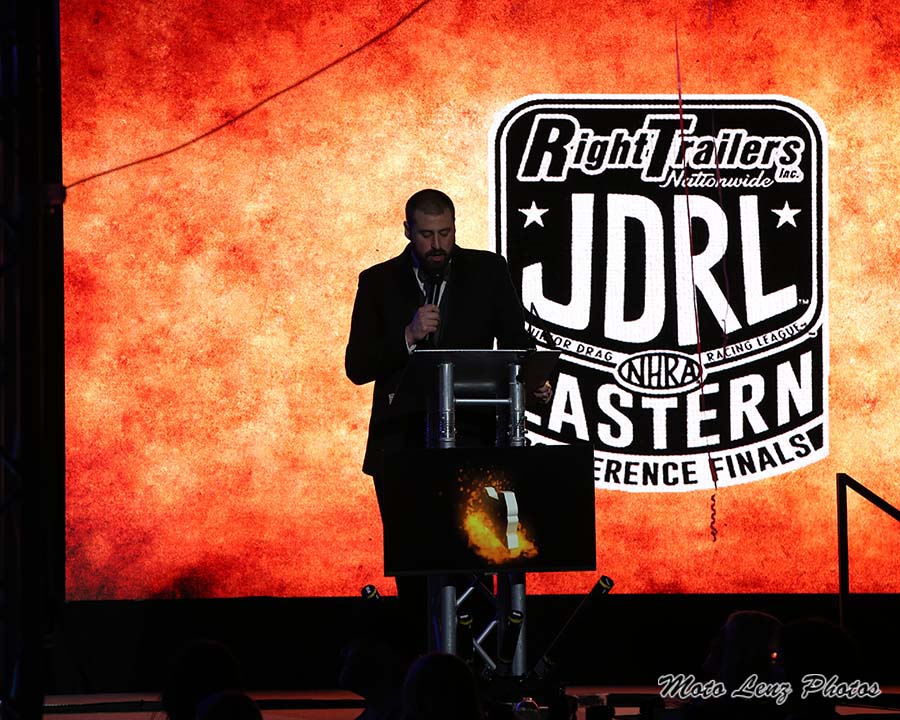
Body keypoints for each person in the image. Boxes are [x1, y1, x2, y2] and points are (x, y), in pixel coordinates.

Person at [345, 188, 551, 497]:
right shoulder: (378, 281)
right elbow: (357, 366)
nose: (437, 245)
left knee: (476, 529)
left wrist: (535, 380)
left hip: (474, 439)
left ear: (455, 226)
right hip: (400, 444)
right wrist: (408, 336)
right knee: (409, 531)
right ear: (407, 231)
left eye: (445, 233)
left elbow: (516, 341)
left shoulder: (489, 271)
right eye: (426, 235)